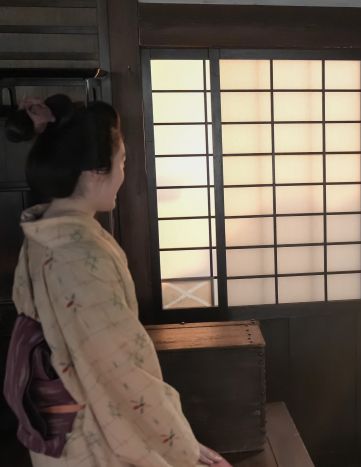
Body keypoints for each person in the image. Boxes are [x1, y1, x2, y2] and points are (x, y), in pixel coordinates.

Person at [4, 95, 231, 466]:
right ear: (96, 172)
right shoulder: (80, 255)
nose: (124, 173)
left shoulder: (44, 232)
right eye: (122, 161)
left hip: (56, 432)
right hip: (87, 437)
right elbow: (120, 369)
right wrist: (182, 447)